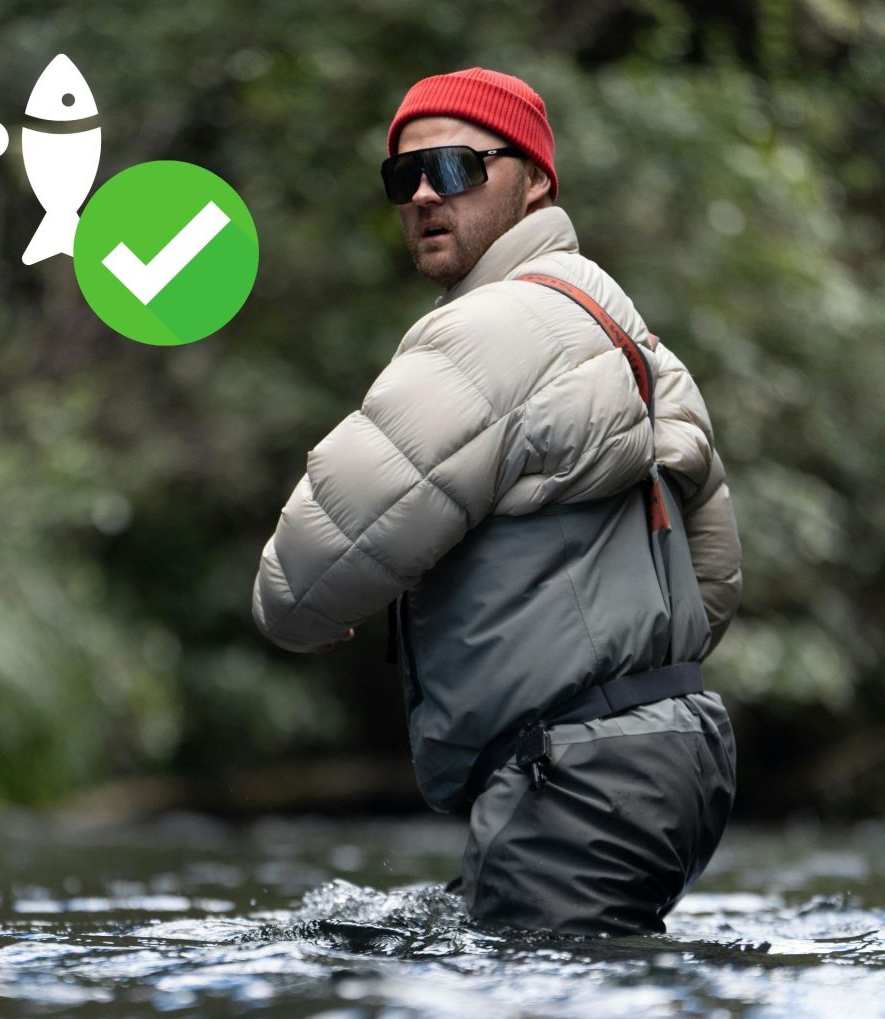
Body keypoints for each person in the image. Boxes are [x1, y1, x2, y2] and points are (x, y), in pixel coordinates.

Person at [252, 68, 741, 936]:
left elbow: (298, 582)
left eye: (456, 167)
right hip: (679, 757)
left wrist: (323, 609)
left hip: (575, 778)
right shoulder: (630, 333)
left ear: (535, 181)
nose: (423, 195)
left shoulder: (492, 333)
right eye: (403, 176)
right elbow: (713, 582)